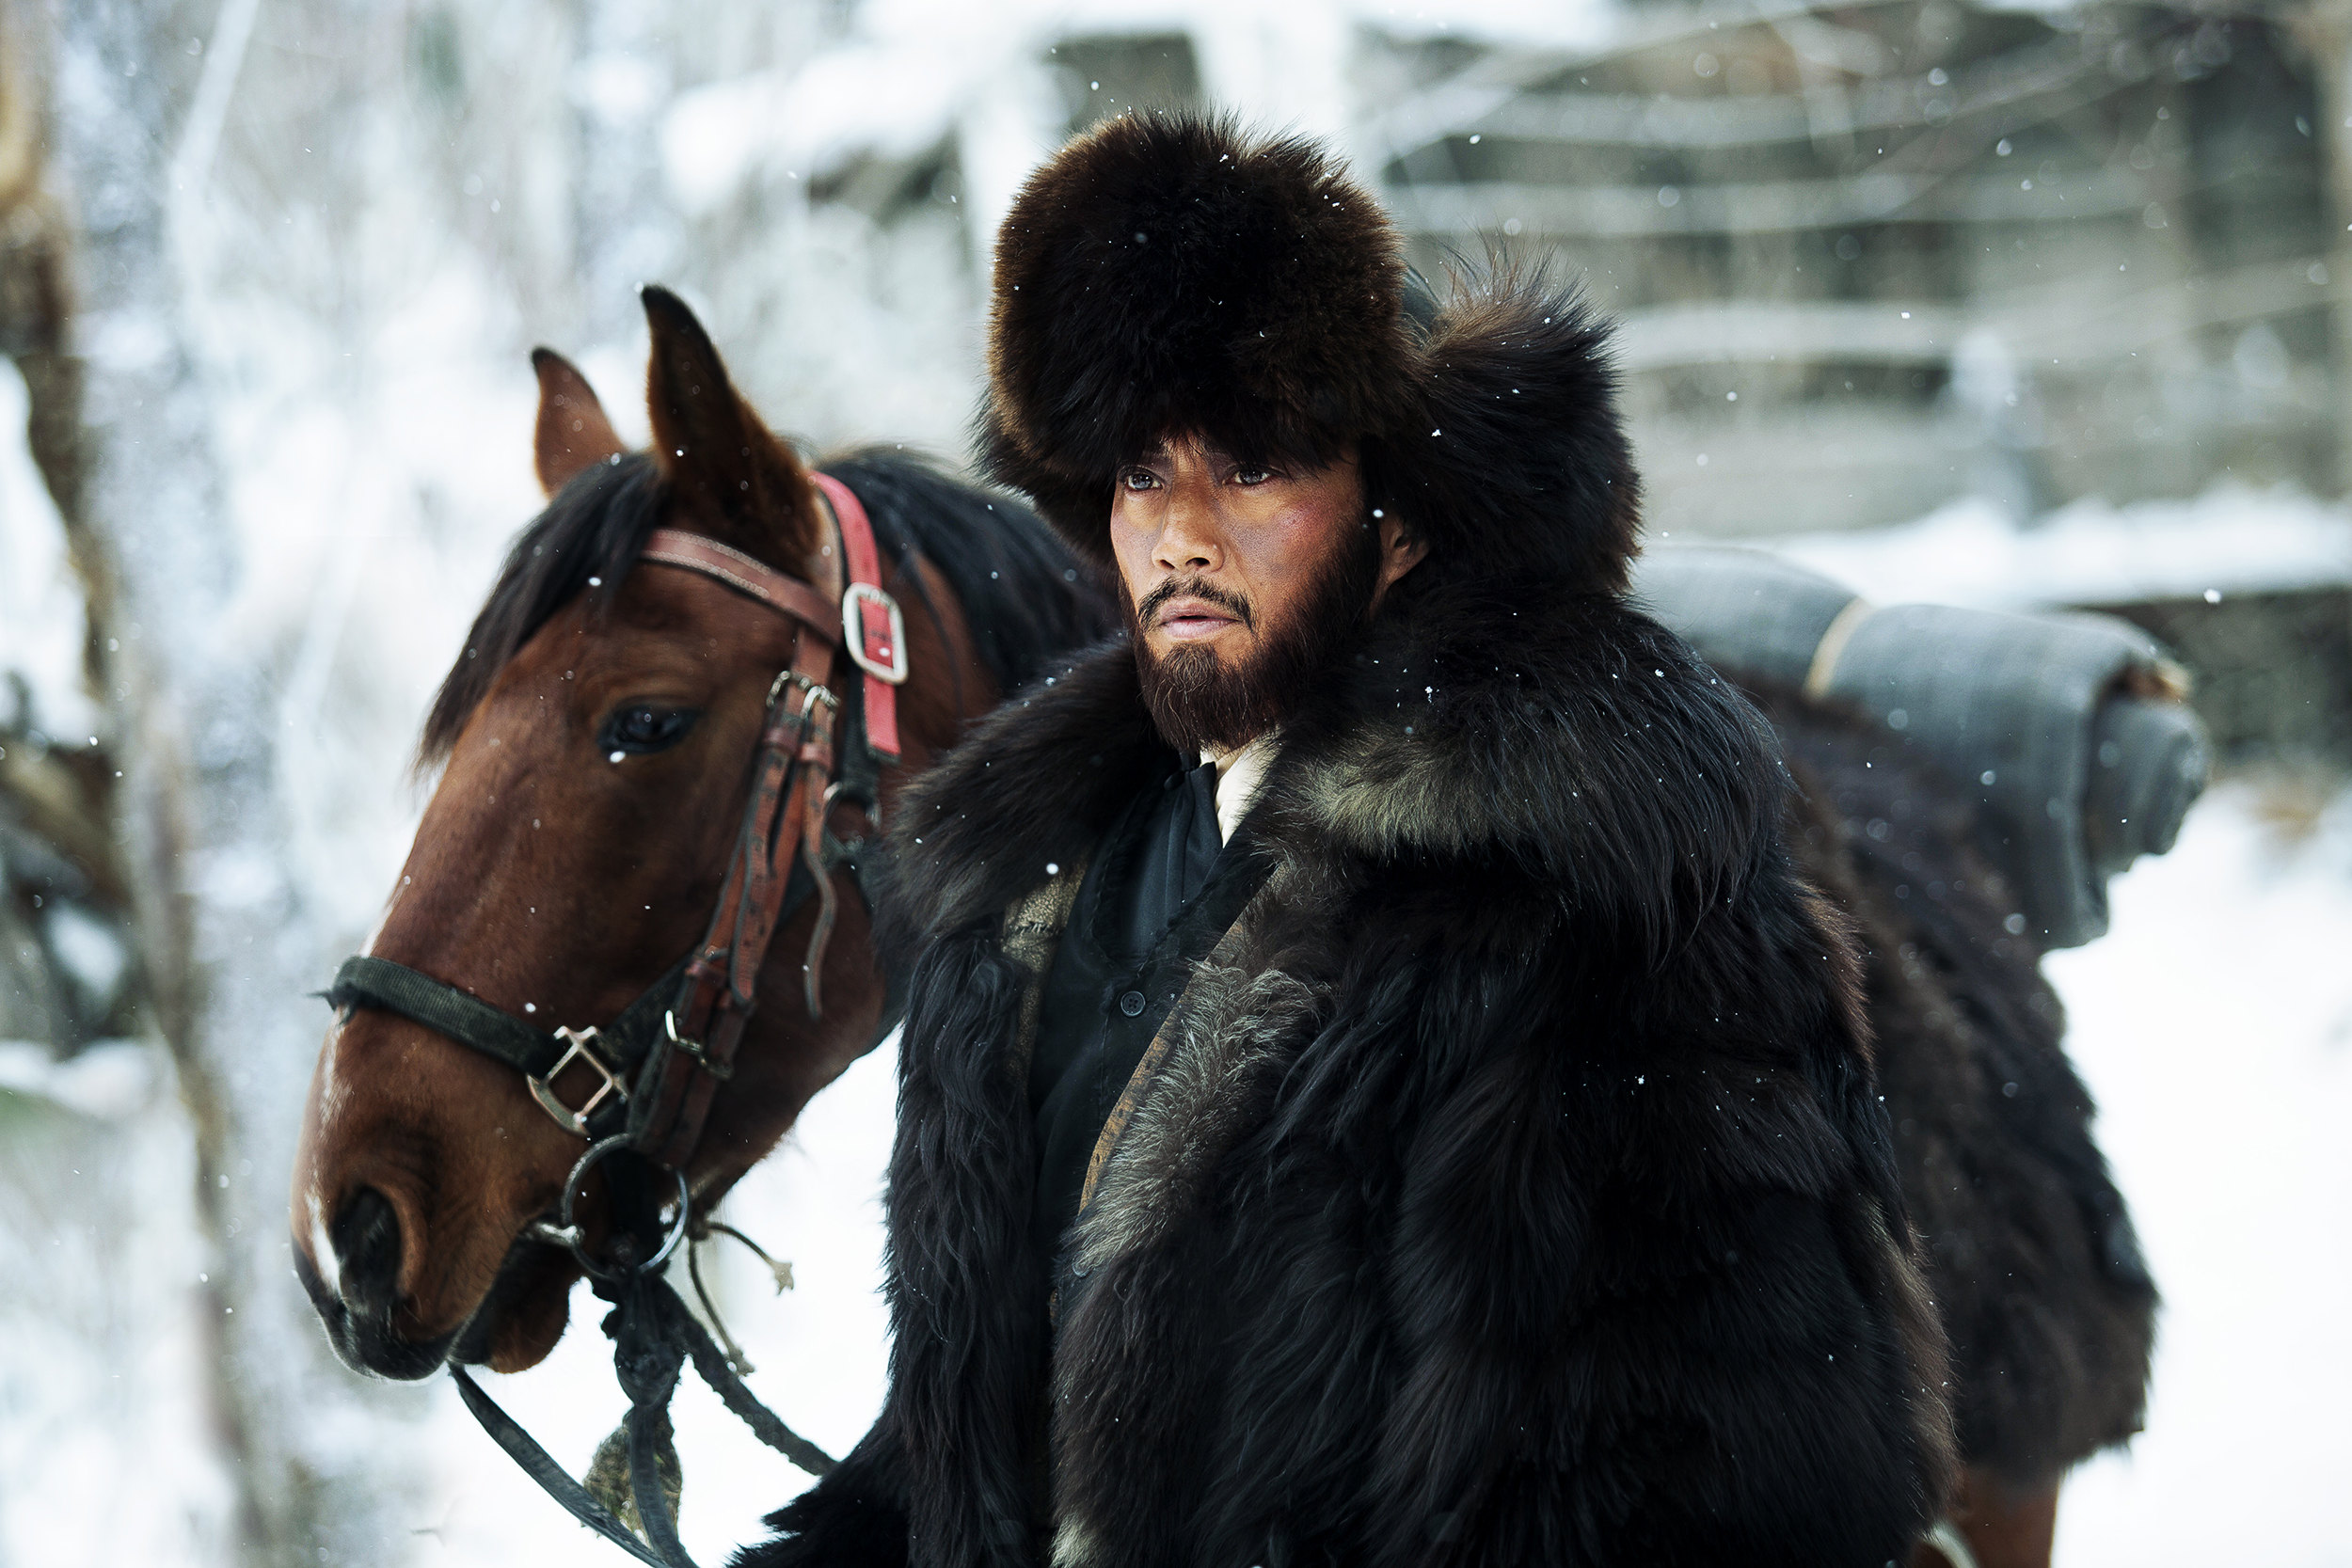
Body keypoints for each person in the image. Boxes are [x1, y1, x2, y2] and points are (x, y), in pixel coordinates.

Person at [746, 113, 1955, 1568]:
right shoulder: (1023, 888)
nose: (1181, 534)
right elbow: (971, 1462)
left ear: (1403, 525)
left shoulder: (1590, 907)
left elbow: (1704, 1498)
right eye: (1140, 474)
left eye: (1253, 468)